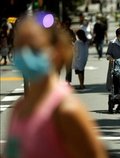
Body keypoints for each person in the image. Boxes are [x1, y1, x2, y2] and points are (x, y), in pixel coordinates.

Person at [4, 14, 108, 158]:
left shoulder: (66, 110)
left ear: (57, 51)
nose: (25, 55)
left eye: (34, 48)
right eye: (20, 47)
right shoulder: (20, 108)